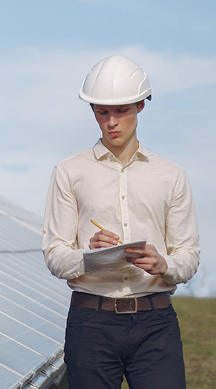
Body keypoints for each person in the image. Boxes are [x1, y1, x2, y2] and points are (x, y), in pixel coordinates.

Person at [42, 55, 201, 389]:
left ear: (140, 106)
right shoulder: (69, 172)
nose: (111, 122)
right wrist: (88, 255)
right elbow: (55, 254)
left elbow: (188, 255)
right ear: (93, 111)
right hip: (91, 323)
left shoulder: (171, 175)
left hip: (156, 323)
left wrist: (163, 264)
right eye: (102, 112)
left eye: (121, 111)